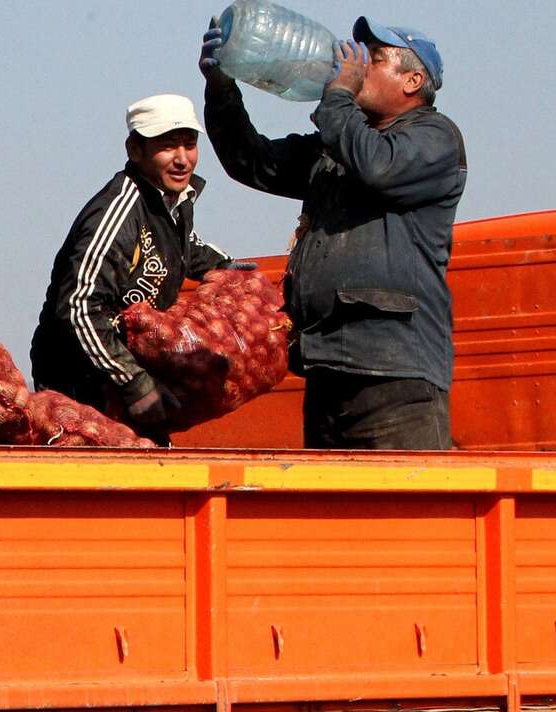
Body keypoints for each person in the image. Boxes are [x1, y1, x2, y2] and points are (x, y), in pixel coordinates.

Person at [201, 17, 466, 450]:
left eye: (373, 58)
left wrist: (339, 96)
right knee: (334, 516)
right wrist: (222, 88)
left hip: (394, 374)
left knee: (403, 514)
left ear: (413, 81)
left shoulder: (434, 138)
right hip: (328, 366)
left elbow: (378, 167)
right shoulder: (339, 143)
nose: (354, 64)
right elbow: (252, 161)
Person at [33, 95, 249, 441]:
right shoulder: (117, 213)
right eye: (167, 147)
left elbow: (183, 248)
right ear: (135, 150)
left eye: (189, 145)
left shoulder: (171, 202)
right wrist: (134, 382)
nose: (182, 159)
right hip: (82, 386)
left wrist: (229, 269)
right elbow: (77, 309)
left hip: (127, 378)